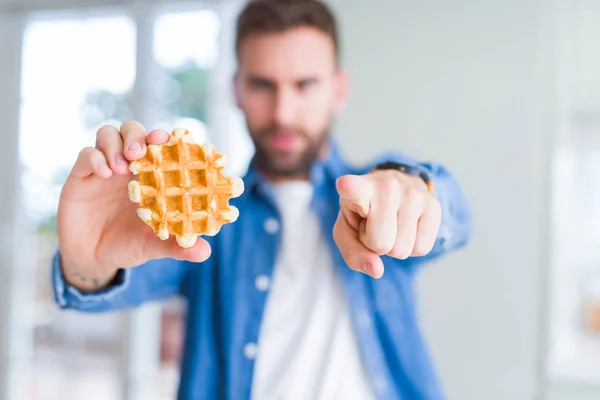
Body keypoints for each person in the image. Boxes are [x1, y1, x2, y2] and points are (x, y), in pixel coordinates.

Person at [52, 0, 472, 399]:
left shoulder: (376, 198)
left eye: (305, 85)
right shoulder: (198, 223)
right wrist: (88, 264)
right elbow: (107, 282)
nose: (283, 112)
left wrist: (414, 190)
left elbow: (451, 216)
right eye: (262, 85)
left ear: (338, 89)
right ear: (236, 89)